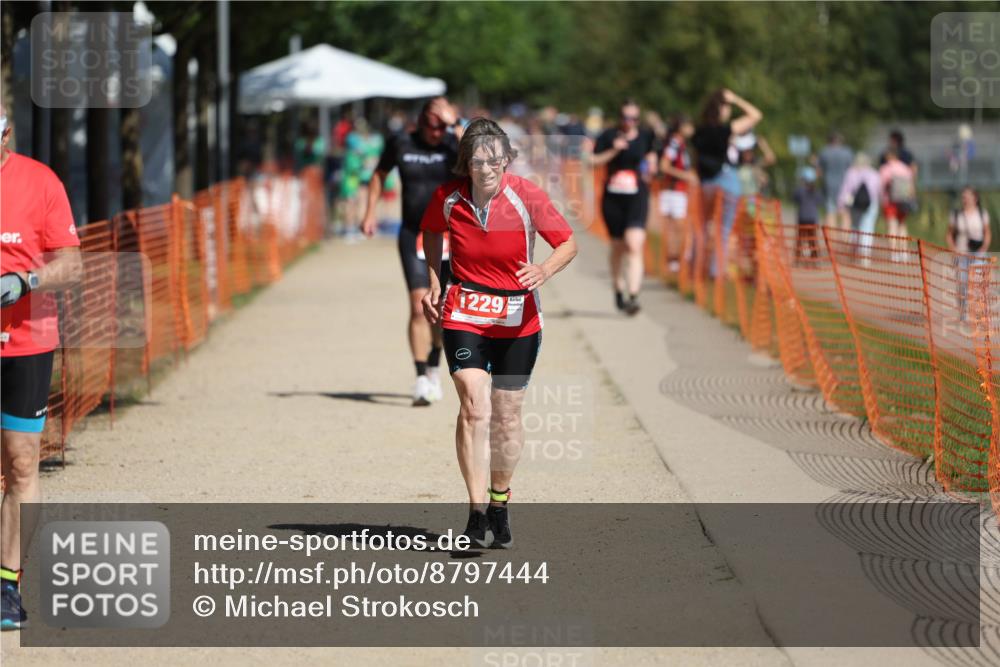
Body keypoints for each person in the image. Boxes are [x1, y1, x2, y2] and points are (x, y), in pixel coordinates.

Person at [420, 118, 577, 548]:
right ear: (465, 163)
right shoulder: (448, 198)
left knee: (506, 415)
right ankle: (475, 515)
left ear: (506, 160)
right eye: (477, 161)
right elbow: (430, 231)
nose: (486, 168)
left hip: (518, 318)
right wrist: (434, 281)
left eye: (494, 160)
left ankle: (499, 502)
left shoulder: (527, 196)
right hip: (465, 312)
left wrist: (544, 269)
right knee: (474, 406)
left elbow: (567, 243)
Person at [0, 104, 83, 630]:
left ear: (6, 131)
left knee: (20, 464)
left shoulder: (40, 181)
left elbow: (72, 265)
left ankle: (7, 585)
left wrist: (25, 282)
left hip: (25, 342)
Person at [361, 98, 464, 406]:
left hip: (451, 236)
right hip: (413, 233)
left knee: (443, 309)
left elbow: (480, 158)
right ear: (420, 122)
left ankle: (434, 362)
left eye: (443, 127)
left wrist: (456, 125)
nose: (437, 133)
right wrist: (370, 212)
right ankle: (421, 377)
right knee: (420, 306)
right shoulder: (401, 142)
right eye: (432, 126)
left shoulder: (454, 143)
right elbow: (379, 174)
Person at [590, 100, 657, 315]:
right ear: (620, 118)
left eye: (634, 118)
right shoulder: (608, 135)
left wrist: (652, 166)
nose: (630, 122)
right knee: (618, 246)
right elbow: (592, 161)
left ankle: (634, 296)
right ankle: (618, 289)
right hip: (613, 199)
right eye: (626, 118)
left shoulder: (646, 136)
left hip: (637, 196)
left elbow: (651, 157)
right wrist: (614, 150)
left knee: (634, 244)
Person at [691, 89, 762, 276]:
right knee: (723, 230)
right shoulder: (726, 130)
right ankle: (716, 272)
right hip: (727, 182)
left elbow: (696, 160)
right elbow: (756, 115)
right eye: (727, 107)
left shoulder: (698, 132)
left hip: (705, 183)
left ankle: (695, 268)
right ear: (721, 108)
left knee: (701, 226)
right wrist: (736, 99)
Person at [658, 114, 698, 274]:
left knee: (674, 228)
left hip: (675, 190)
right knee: (677, 228)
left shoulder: (680, 143)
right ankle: (674, 261)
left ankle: (673, 262)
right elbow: (664, 166)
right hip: (674, 190)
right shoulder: (674, 143)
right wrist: (686, 176)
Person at [947, 186, 991, 322]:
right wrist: (953, 249)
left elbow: (987, 233)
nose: (965, 199)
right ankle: (963, 313)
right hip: (961, 253)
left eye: (968, 196)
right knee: (962, 284)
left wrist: (984, 248)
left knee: (977, 283)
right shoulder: (956, 214)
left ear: (975, 198)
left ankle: (977, 312)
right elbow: (949, 234)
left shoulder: (982, 214)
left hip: (978, 253)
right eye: (963, 197)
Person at [837, 152, 881, 261]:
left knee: (855, 227)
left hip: (855, 203)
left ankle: (854, 252)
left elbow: (846, 189)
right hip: (871, 203)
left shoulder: (851, 172)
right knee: (868, 227)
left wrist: (841, 204)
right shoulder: (874, 173)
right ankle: (865, 254)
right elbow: (878, 190)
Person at [879, 147, 917, 260]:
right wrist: (912, 198)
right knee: (902, 225)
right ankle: (904, 252)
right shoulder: (905, 168)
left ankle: (894, 253)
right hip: (904, 200)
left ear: (889, 156)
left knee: (892, 225)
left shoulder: (886, 168)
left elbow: (881, 185)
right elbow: (911, 185)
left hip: (890, 201)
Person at [817, 132, 854, 229]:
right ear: (840, 141)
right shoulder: (847, 152)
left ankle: (831, 237)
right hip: (846, 187)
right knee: (845, 213)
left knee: (830, 212)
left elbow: (819, 172)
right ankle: (844, 237)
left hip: (829, 186)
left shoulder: (824, 152)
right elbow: (852, 169)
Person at [793, 166, 823, 262]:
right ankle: (814, 256)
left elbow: (794, 198)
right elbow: (820, 201)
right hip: (812, 218)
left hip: (802, 217)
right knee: (812, 238)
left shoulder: (800, 190)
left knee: (800, 238)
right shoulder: (816, 191)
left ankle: (798, 257)